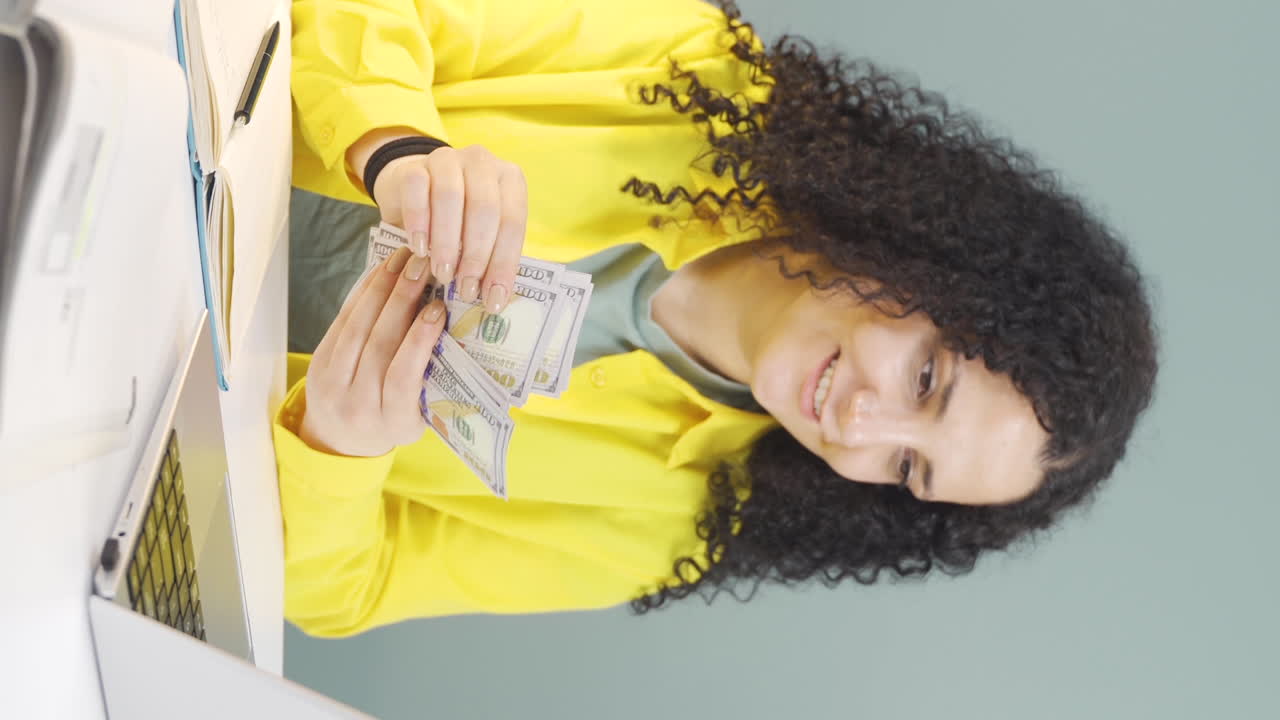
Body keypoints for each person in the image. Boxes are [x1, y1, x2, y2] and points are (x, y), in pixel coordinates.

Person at [279, 0, 1157, 638]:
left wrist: (340, 451)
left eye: (904, 467)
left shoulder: (665, 529)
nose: (859, 425)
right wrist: (394, 142)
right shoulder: (692, 62)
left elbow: (347, 590)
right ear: (933, 267)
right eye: (925, 381)